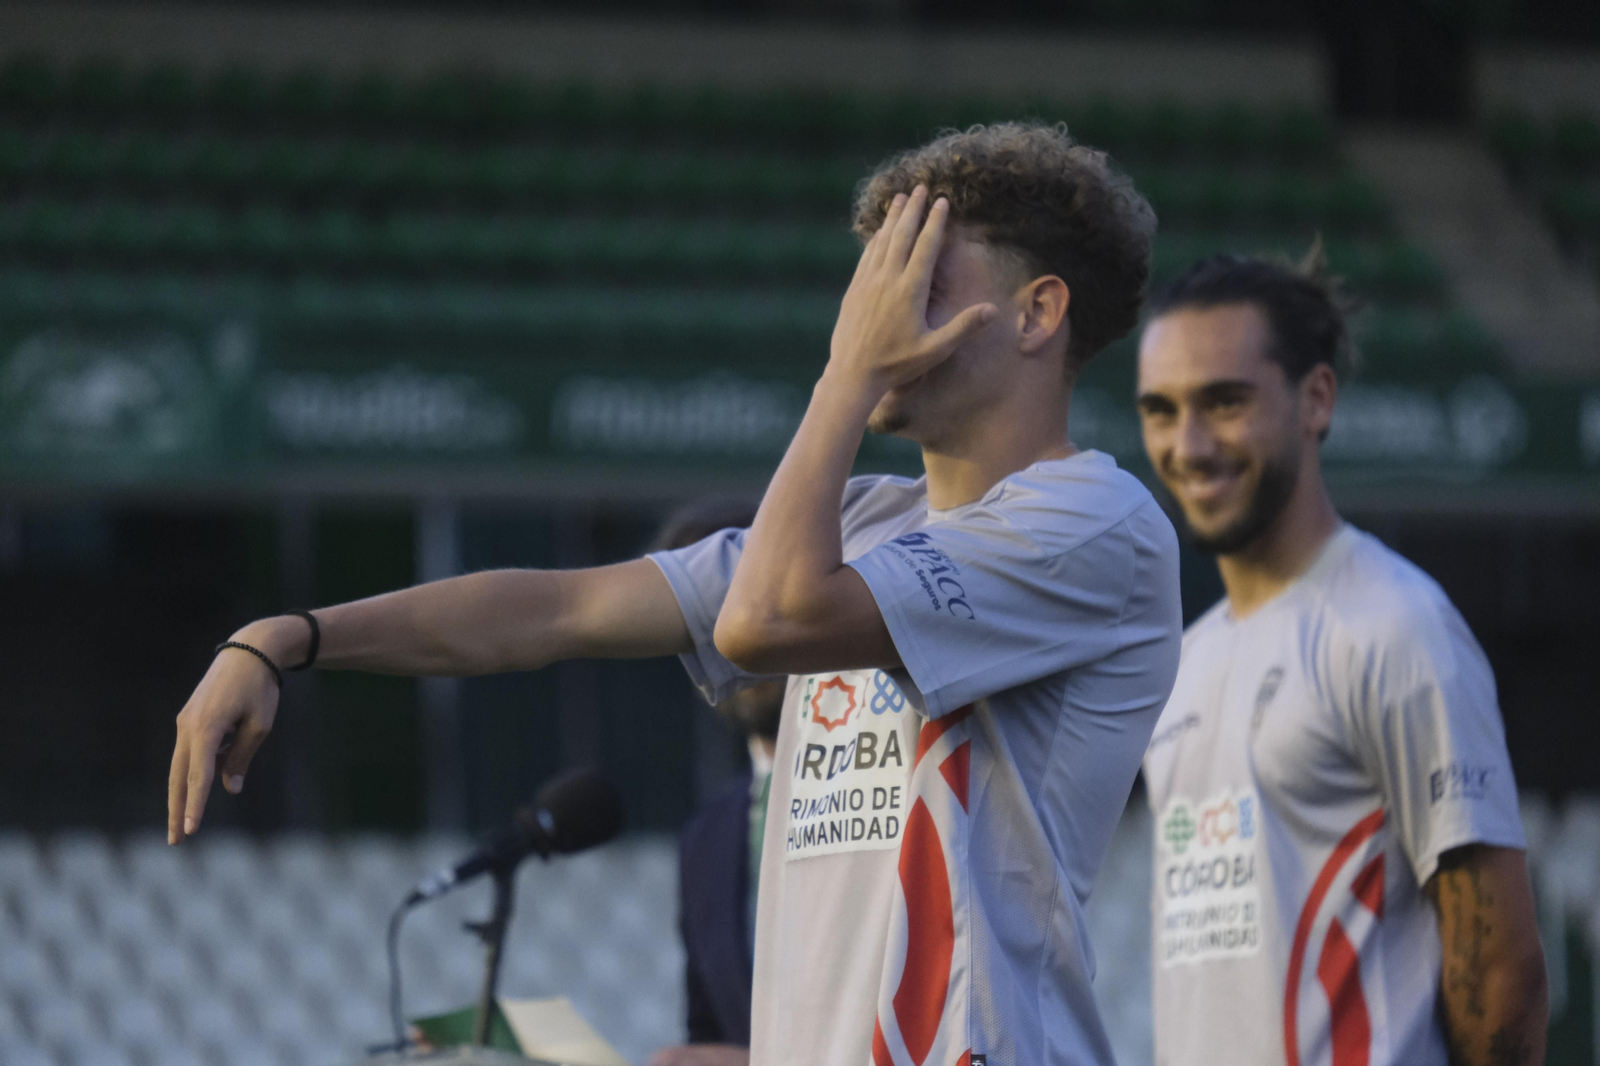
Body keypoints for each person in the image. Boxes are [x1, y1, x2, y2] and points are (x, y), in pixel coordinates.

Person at [169, 122, 1182, 1066]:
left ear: (1037, 312)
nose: (868, 313)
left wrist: (841, 380)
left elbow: (765, 619)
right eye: (866, 283)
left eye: (913, 276)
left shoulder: (1090, 519)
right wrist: (285, 637)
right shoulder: (877, 519)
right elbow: (550, 612)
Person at [1135, 251, 1548, 1066]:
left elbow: (1501, 971)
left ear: (1314, 399)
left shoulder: (1395, 627)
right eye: (1160, 410)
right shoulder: (1184, 659)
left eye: (1224, 402)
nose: (1187, 445)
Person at [648, 502, 784, 1066]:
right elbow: (708, 1034)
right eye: (703, 626)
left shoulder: (903, 790)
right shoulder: (706, 840)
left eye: (749, 611)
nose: (733, 646)